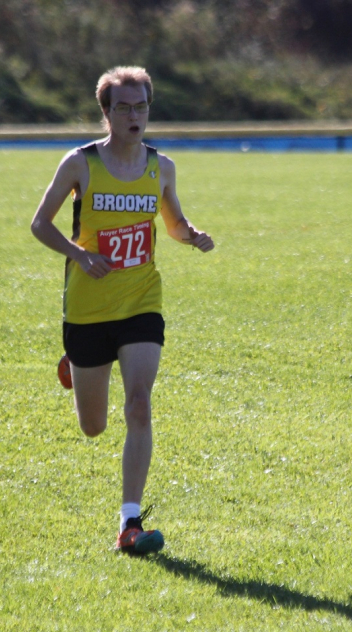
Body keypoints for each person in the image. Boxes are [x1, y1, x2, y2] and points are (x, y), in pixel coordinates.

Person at [30, 67, 214, 555]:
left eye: (141, 107)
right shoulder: (80, 164)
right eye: (123, 108)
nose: (134, 116)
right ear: (106, 113)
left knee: (138, 402)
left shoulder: (162, 167)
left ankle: (129, 523)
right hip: (88, 306)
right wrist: (79, 254)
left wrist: (191, 235)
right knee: (93, 427)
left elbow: (172, 223)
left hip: (141, 301)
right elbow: (39, 224)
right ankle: (77, 363)